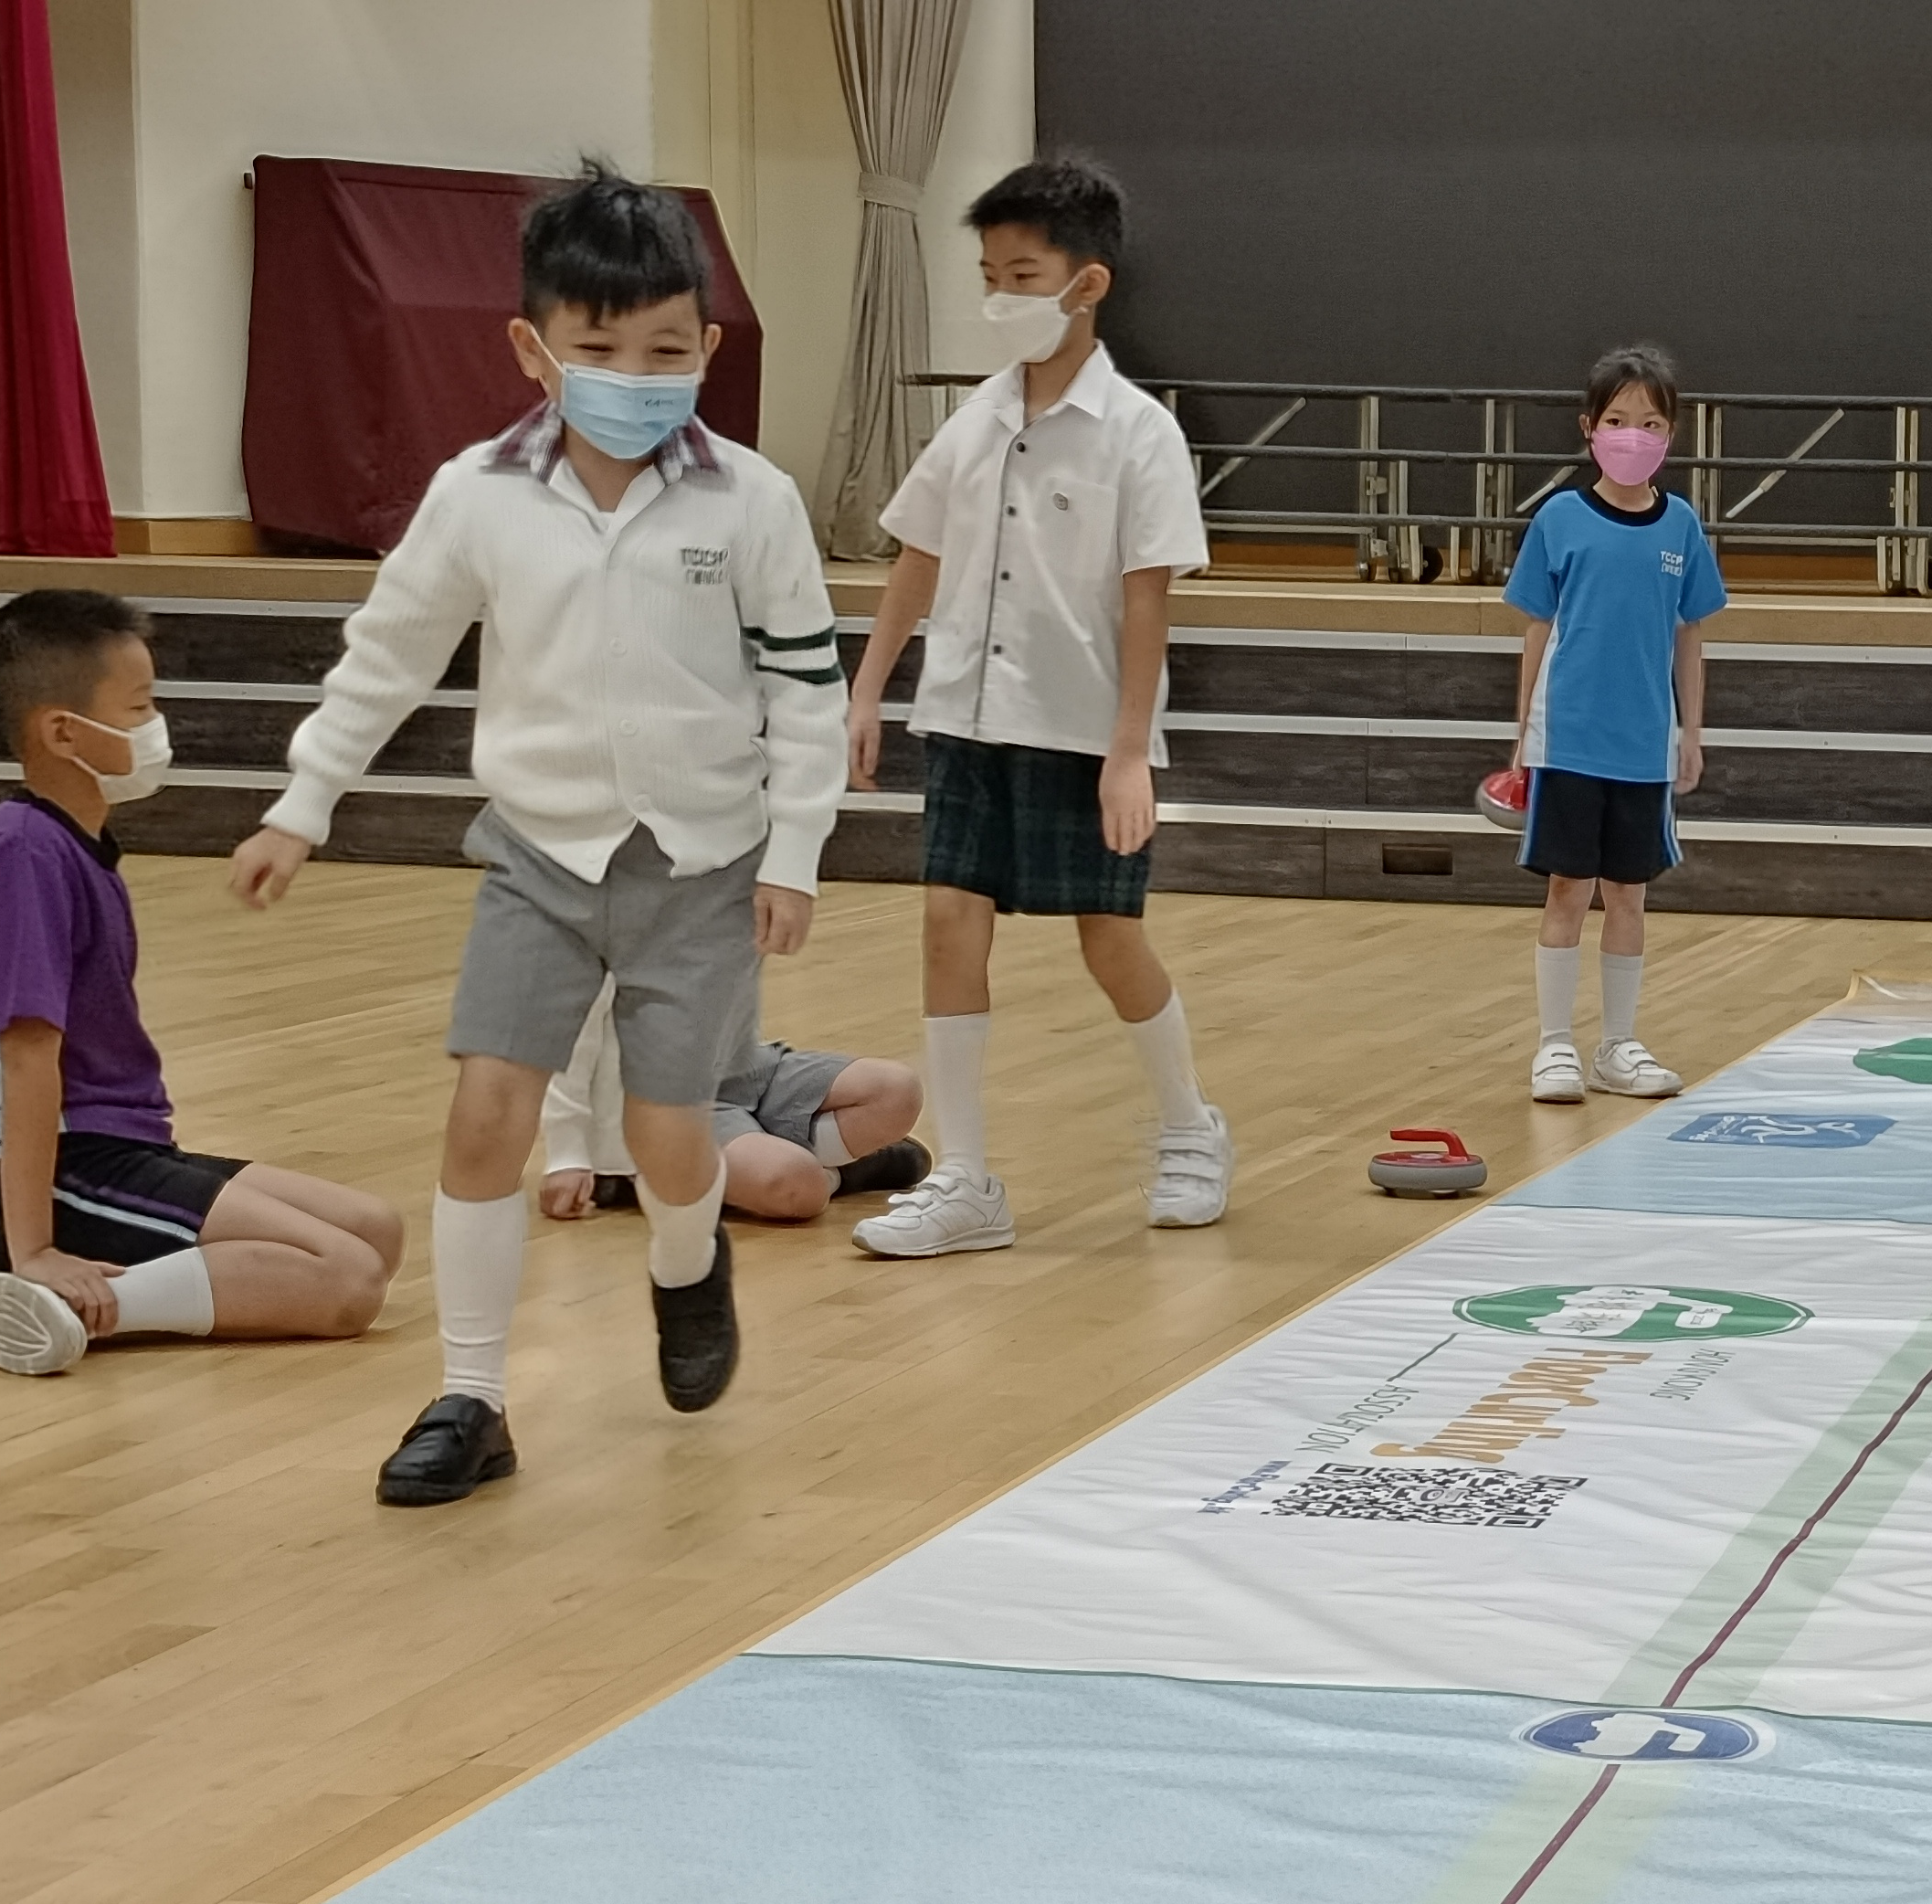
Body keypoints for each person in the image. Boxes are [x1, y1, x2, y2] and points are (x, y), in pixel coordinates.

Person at [227, 164, 847, 1505]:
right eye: (599, 349)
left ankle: (687, 1265)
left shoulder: (752, 500)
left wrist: (795, 857)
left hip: (701, 864)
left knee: (667, 1134)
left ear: (708, 345)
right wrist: (302, 802)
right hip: (537, 857)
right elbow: (388, 655)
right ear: (532, 347)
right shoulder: (477, 494)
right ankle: (472, 1395)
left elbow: (808, 692)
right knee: (484, 1113)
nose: (636, 376)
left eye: (667, 351)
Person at [842, 152, 1221, 1259]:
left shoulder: (1139, 433)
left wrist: (1127, 752)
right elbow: (917, 555)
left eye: (1022, 276)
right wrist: (867, 688)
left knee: (1110, 939)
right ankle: (966, 1177)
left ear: (1085, 284)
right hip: (965, 719)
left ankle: (1189, 1126)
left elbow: (1147, 599)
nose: (1001, 297)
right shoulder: (974, 420)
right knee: (947, 925)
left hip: (1078, 728)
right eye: (989, 277)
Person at [0, 590, 402, 1377]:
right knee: (347, 1279)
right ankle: (53, 1302)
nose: (155, 725)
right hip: (58, 1163)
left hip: (119, 1144)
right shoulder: (23, 848)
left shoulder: (77, 844)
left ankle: (88, 1289)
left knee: (375, 1230)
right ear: (63, 731)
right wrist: (32, 1246)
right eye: (139, 708)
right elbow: (27, 1055)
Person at [1504, 341, 1726, 1104]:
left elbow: (1690, 634)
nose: (1635, 435)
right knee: (1568, 889)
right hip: (1568, 739)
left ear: (1671, 435)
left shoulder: (1681, 527)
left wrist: (1691, 733)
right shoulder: (1560, 518)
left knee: (1628, 894)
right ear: (1590, 427)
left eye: (1651, 423)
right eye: (1619, 420)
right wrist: (1521, 735)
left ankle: (1618, 1045)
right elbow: (1536, 629)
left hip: (1643, 746)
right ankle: (1554, 1046)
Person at [539, 990, 926, 1223]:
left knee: (898, 1091)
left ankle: (756, 1160)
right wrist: (566, 1157)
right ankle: (839, 1173)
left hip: (748, 1067)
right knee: (801, 1188)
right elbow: (567, 1043)